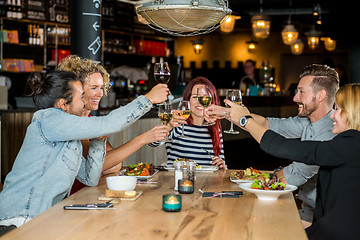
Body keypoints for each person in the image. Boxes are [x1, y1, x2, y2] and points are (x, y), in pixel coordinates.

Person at [0, 71, 168, 235]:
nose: (84, 102)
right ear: (62, 104)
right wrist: (148, 99)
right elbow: (109, 122)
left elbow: (91, 178)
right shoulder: (49, 119)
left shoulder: (68, 136)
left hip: (44, 219)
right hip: (20, 220)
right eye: (81, 97)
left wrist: (98, 140)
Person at [207, 64, 340, 227]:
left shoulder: (330, 131)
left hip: (326, 219)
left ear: (321, 95)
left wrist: (253, 181)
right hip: (308, 210)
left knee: (251, 223)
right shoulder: (308, 121)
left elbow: (295, 173)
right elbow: (268, 124)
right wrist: (227, 113)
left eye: (301, 92)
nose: (295, 98)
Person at [224, 83, 360, 239]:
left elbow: (281, 146)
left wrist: (244, 120)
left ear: (352, 113)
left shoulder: (351, 145)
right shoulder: (348, 144)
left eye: (337, 109)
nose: (332, 115)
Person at [58, 55, 170, 179]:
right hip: (72, 197)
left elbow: (114, 164)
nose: (100, 94)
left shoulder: (88, 119)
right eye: (94, 88)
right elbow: (100, 166)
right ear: (77, 90)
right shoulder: (71, 123)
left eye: (102, 88)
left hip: (87, 192)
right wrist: (143, 139)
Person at [150, 77, 226, 169]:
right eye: (195, 97)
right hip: (178, 181)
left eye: (205, 97)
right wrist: (168, 125)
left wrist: (222, 166)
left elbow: (221, 164)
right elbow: (153, 142)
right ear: (187, 100)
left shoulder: (215, 129)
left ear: (212, 100)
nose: (200, 101)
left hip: (205, 182)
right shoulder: (177, 124)